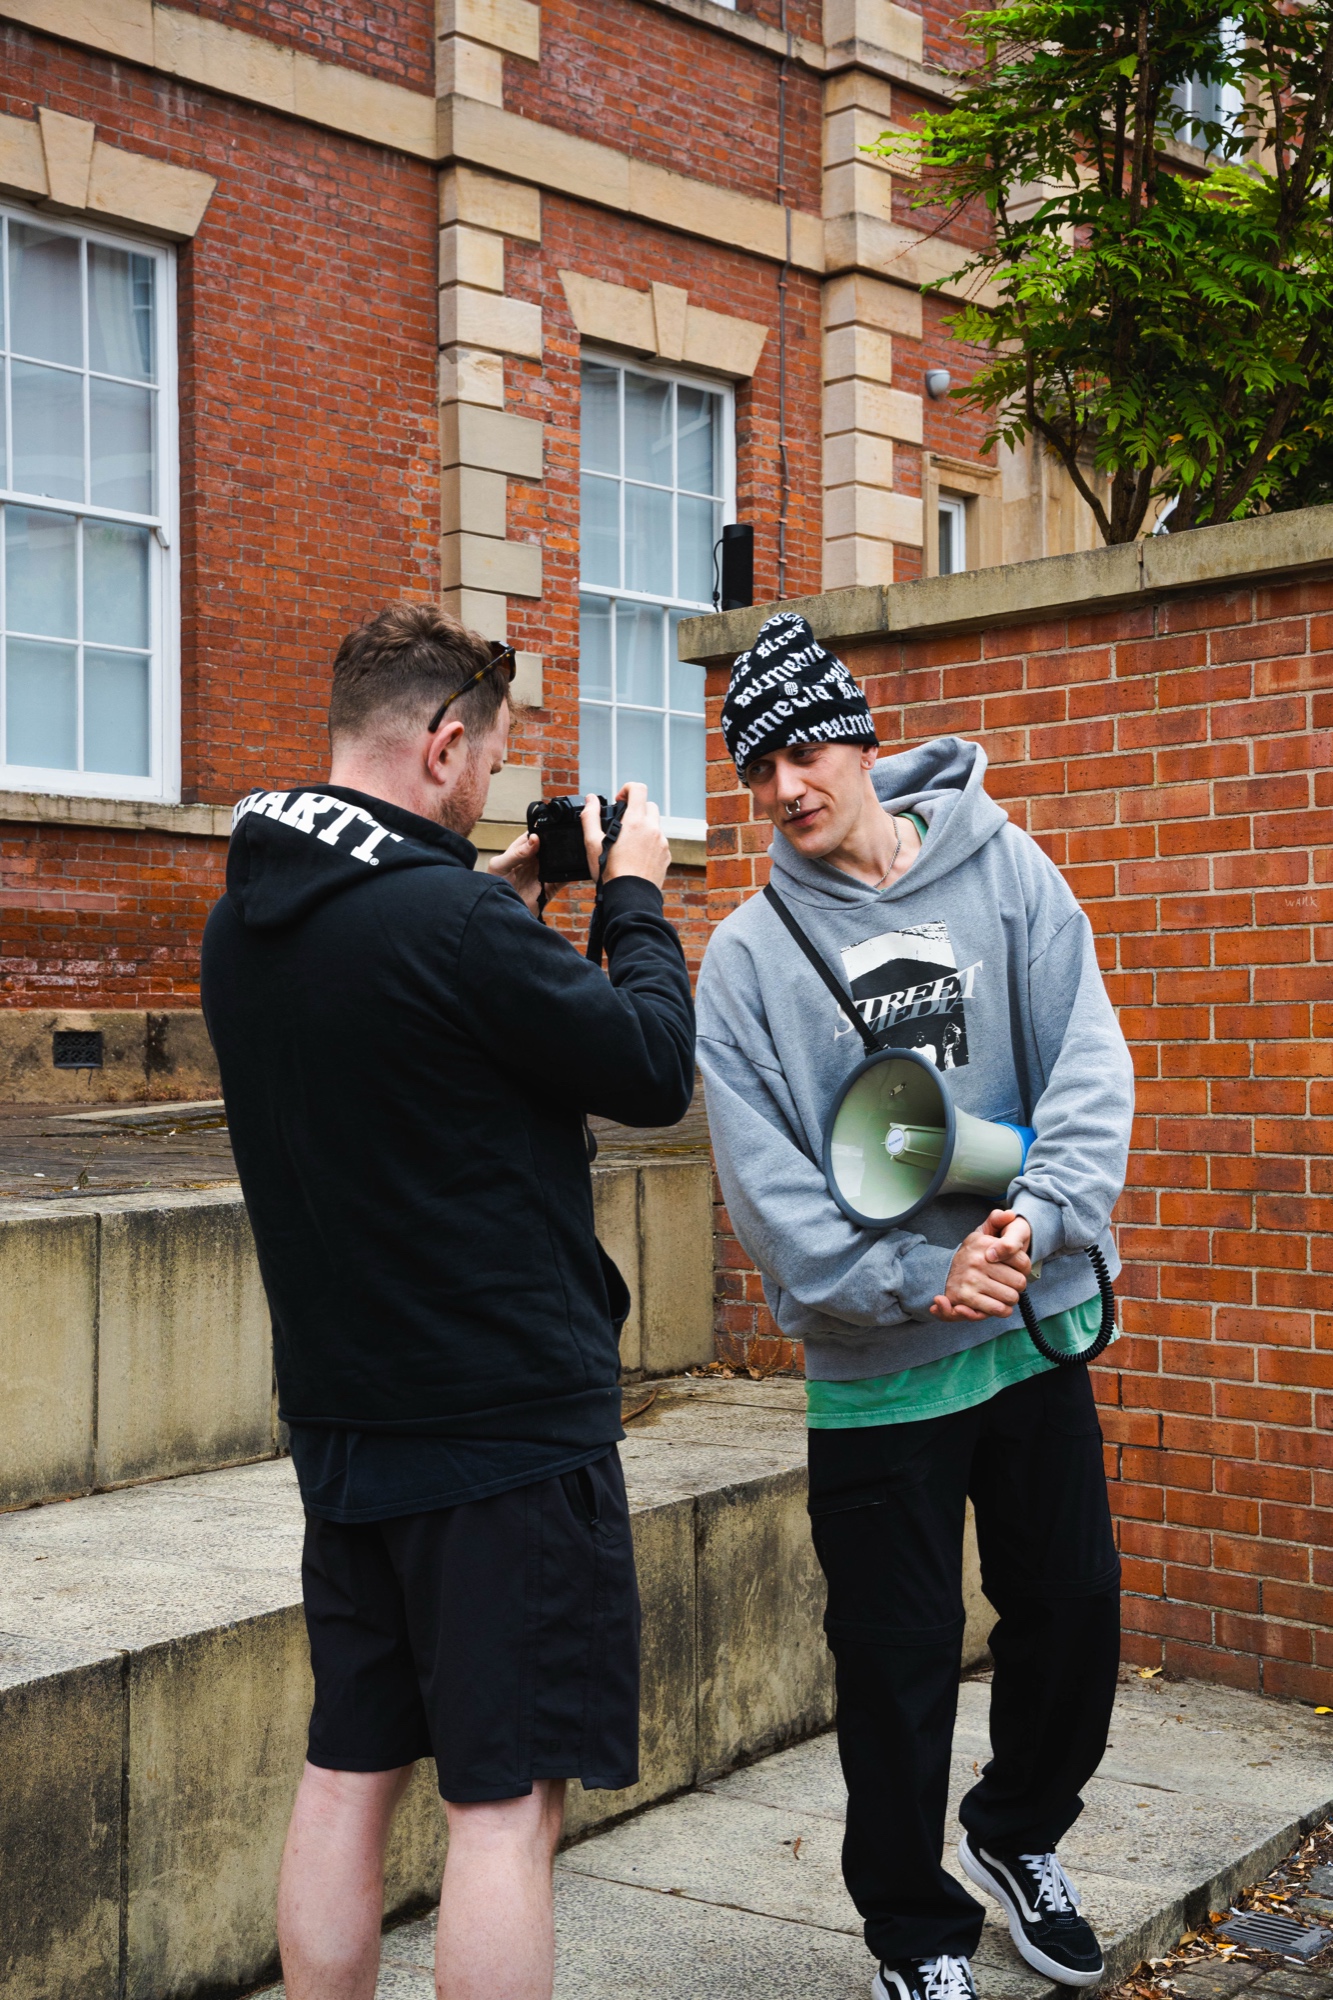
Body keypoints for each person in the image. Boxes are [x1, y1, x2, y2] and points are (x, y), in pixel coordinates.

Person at [200, 604, 694, 2000]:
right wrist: (634, 895)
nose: (488, 788)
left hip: (347, 1420)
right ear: (441, 740)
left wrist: (511, 895)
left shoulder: (246, 922)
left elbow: (416, 1034)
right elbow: (651, 1065)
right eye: (484, 759)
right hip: (501, 1434)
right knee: (502, 1807)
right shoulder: (455, 921)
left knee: (349, 1769)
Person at [694, 611, 1133, 2000]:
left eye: (799, 750)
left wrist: (1042, 1212)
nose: (780, 788)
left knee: (1070, 1617)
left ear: (858, 738)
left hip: (1027, 1327)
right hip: (876, 1370)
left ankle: (1015, 1835)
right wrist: (909, 1277)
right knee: (890, 1669)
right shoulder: (748, 962)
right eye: (753, 767)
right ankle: (913, 1932)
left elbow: (1086, 1059)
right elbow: (767, 1189)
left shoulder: (1002, 867)